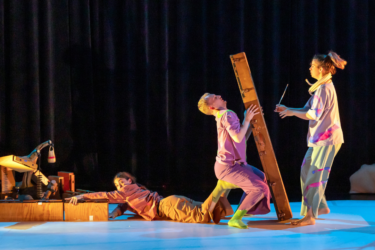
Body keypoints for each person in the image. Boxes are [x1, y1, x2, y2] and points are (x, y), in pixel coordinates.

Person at [275, 51, 346, 226]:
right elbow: (307, 109)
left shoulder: (324, 88)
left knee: (315, 176)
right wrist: (288, 109)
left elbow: (313, 115)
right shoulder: (320, 88)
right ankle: (320, 206)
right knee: (307, 170)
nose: (310, 69)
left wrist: (291, 112)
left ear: (321, 69)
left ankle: (309, 216)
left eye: (312, 66)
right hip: (319, 140)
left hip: (327, 140)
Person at [198, 94, 271, 229]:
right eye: (215, 97)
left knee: (261, 177)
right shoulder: (227, 114)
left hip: (231, 165)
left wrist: (248, 120)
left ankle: (242, 205)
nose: (219, 96)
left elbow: (241, 138)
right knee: (260, 188)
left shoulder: (222, 116)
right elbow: (238, 138)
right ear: (212, 106)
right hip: (229, 167)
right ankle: (236, 218)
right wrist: (247, 119)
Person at [67, 172, 233, 224]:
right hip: (172, 202)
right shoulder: (133, 193)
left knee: (201, 218)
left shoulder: (128, 189)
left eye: (121, 182)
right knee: (213, 211)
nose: (119, 187)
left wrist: (82, 196)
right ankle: (226, 190)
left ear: (129, 181)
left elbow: (106, 196)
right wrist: (114, 214)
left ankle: (221, 186)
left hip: (168, 207)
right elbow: (124, 206)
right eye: (117, 185)